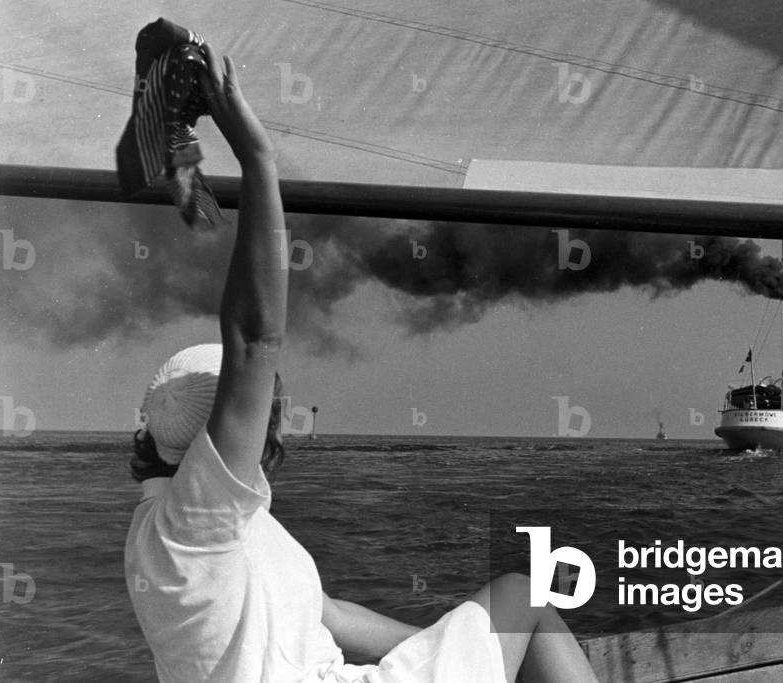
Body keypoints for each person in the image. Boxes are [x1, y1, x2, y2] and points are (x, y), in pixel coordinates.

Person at [124, 42, 599, 683]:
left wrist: (471, 653)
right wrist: (256, 155)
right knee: (528, 594)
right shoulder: (197, 519)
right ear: (232, 438)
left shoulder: (193, 531)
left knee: (510, 614)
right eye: (266, 408)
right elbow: (254, 340)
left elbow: (328, 614)